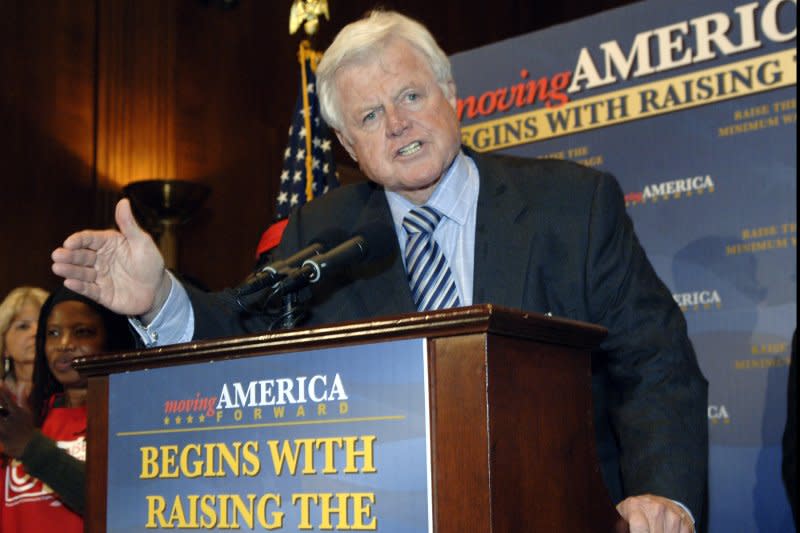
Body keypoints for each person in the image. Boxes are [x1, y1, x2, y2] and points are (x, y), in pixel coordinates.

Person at [50, 10, 708, 533]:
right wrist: (160, 296)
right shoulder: (321, 231)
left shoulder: (573, 205)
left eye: (411, 95)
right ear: (349, 147)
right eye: (369, 115)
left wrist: (662, 492)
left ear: (450, 96)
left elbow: (655, 363)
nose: (398, 124)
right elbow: (241, 332)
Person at [0, 286, 134, 532]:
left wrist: (31, 447)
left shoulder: (129, 421)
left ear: (110, 340)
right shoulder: (31, 419)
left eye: (82, 332)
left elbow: (123, 503)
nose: (64, 344)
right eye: (53, 333)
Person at [0, 287, 49, 405]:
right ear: (4, 346)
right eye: (23, 326)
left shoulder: (70, 394)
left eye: (43, 324)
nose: (36, 332)